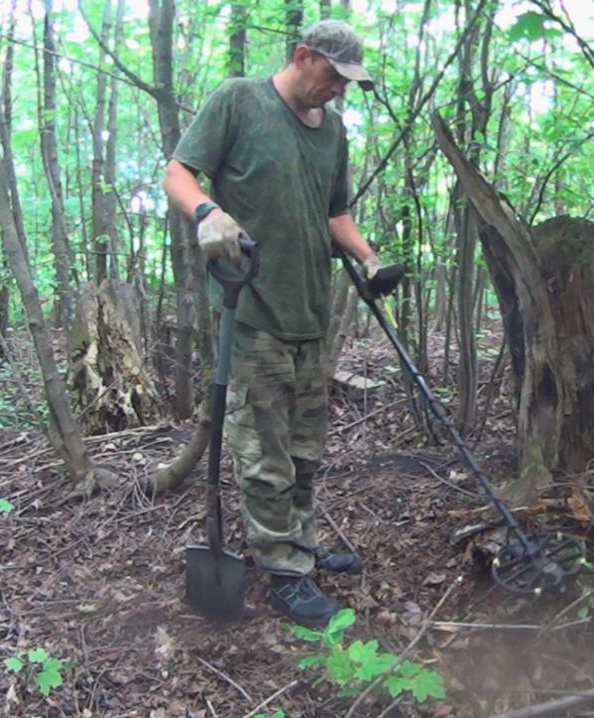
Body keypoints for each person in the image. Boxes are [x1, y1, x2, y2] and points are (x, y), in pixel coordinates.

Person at [162, 19, 391, 626]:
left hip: (310, 315)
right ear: (302, 55)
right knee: (265, 456)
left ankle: (300, 547)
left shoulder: (332, 131)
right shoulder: (240, 101)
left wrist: (368, 258)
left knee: (305, 451)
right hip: (252, 312)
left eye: (348, 83)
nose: (338, 90)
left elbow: (336, 214)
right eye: (334, 76)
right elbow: (178, 173)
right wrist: (208, 212)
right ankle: (284, 571)